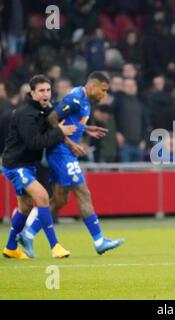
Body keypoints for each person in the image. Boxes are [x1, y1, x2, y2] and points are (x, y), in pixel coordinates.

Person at [19, 72, 125, 258]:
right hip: (61, 152)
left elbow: (68, 121)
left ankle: (27, 235)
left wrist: (87, 129)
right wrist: (70, 143)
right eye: (103, 90)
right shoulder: (76, 97)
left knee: (60, 201)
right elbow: (52, 118)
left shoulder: (84, 100)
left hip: (64, 153)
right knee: (83, 191)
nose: (104, 95)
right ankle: (99, 240)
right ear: (92, 86)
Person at [1, 74, 76, 259]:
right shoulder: (25, 113)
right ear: (32, 93)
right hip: (15, 164)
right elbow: (34, 142)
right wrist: (59, 132)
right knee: (43, 197)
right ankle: (55, 246)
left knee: (25, 208)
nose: (46, 94)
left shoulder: (45, 109)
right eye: (41, 91)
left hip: (27, 164)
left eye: (48, 90)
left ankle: (11, 247)